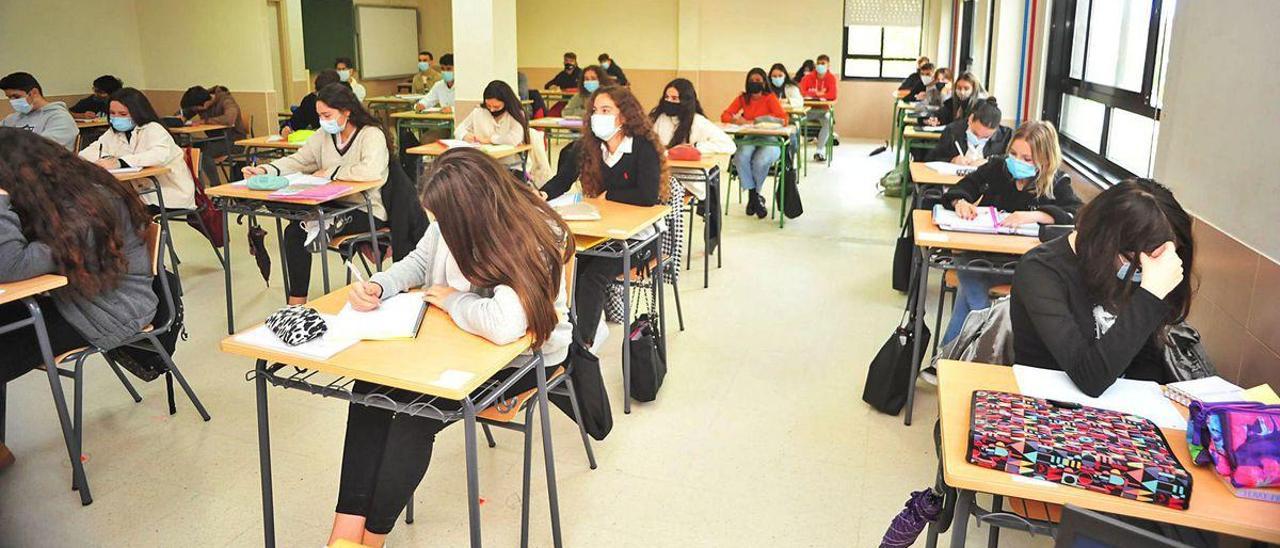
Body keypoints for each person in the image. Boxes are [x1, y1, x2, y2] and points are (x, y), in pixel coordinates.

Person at [327, 148, 572, 548]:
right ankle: (344, 533)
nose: (440, 228)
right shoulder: (450, 223)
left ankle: (372, 539)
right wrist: (380, 285)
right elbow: (419, 263)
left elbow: (505, 325)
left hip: (520, 360)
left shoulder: (529, 232)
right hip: (456, 343)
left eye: (446, 219)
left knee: (414, 415)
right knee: (368, 391)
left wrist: (454, 301)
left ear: (474, 207)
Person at [0, 128, 157, 469]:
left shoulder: (83, 209)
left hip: (109, 309)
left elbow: (12, 265)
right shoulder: (57, 196)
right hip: (77, 296)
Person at [1012, 179, 1193, 396]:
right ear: (1107, 243)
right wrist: (1150, 294)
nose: (1144, 271)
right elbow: (1089, 378)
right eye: (1139, 262)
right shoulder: (1041, 271)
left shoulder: (1142, 264)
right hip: (1046, 403)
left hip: (1116, 405)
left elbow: (1146, 360)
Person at [542, 85, 668, 347]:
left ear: (624, 115)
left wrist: (608, 196)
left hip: (638, 236)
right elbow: (562, 180)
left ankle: (582, 346)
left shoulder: (643, 147)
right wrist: (542, 195)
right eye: (595, 110)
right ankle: (571, 332)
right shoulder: (588, 147)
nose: (598, 115)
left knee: (593, 275)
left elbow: (646, 195)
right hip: (601, 230)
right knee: (569, 265)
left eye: (606, 110)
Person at [241, 83, 389, 305]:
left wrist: (330, 172)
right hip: (333, 204)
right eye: (320, 115)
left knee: (313, 223)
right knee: (294, 233)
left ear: (347, 111)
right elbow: (299, 161)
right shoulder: (324, 135)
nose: (323, 121)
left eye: (327, 115)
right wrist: (265, 169)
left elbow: (371, 171)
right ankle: (296, 303)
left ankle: (322, 226)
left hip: (366, 209)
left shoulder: (370, 135)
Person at [938, 121, 1082, 346]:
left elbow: (1077, 214)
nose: (1017, 162)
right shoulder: (998, 168)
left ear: (1045, 160)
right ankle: (981, 330)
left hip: (1025, 265)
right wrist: (961, 202)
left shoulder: (1057, 183)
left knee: (969, 278)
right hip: (982, 254)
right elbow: (966, 185)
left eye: (1027, 159)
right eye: (1013, 154)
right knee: (968, 267)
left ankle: (950, 352)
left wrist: (1036, 216)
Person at [78, 87, 197, 212]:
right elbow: (87, 153)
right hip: (140, 191)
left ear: (137, 112)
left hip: (168, 193)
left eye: (123, 114)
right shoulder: (114, 133)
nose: (116, 118)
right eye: (112, 113)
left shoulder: (153, 129)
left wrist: (120, 162)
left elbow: (158, 156)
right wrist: (105, 160)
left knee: (113, 209)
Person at [722, 68, 786, 218]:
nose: (754, 83)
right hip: (749, 136)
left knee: (760, 161)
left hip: (769, 137)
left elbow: (783, 118)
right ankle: (754, 196)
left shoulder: (770, 98)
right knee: (740, 157)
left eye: (758, 81)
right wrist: (735, 120)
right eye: (752, 80)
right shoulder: (743, 98)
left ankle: (753, 197)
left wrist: (763, 121)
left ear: (764, 82)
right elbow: (725, 115)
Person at [455, 80, 531, 171]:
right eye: (488, 105)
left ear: (506, 102)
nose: (491, 110)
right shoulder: (479, 112)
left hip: (510, 165)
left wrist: (489, 140)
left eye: (496, 107)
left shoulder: (516, 114)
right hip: (483, 163)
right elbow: (459, 129)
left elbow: (514, 139)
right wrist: (465, 136)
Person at [649, 78, 735, 154]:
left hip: (691, 171)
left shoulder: (698, 122)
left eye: (674, 98)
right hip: (664, 168)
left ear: (685, 101)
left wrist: (695, 147)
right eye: (666, 97)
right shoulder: (660, 118)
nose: (669, 101)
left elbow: (730, 146)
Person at [0, 72, 78, 151]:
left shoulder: (60, 118)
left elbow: (43, 149)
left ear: (34, 93)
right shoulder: (12, 119)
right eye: (9, 97)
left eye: (16, 96)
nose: (12, 101)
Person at [925, 99, 1012, 165]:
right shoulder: (952, 131)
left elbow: (1013, 162)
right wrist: (952, 160)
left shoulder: (1007, 137)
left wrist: (990, 162)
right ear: (970, 119)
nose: (978, 138)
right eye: (975, 133)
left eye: (985, 137)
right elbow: (931, 159)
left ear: (996, 129)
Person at [179, 85, 249, 155]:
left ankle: (205, 165)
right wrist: (179, 118)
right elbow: (186, 112)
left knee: (203, 153)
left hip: (234, 142)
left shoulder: (227, 101)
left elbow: (229, 119)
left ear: (205, 104)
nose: (194, 111)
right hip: (214, 140)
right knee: (186, 148)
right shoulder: (200, 100)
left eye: (195, 109)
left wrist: (204, 121)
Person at [798, 54, 838, 162]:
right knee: (795, 120)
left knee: (828, 119)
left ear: (828, 65)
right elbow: (801, 93)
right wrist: (818, 93)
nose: (820, 66)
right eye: (818, 63)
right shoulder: (808, 77)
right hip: (807, 110)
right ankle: (794, 152)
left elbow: (832, 95)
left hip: (823, 110)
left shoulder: (831, 78)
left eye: (823, 63)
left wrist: (814, 94)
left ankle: (819, 151)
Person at [282, 70, 343, 138]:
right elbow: (294, 122)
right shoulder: (310, 101)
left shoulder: (343, 103)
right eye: (318, 94)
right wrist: (287, 128)